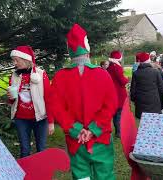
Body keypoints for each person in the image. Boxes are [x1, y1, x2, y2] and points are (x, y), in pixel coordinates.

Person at [50, 24, 117, 179]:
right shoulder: (103, 75)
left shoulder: (60, 77)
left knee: (81, 176)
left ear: (69, 51)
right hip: (101, 137)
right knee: (104, 175)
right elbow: (111, 105)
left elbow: (57, 108)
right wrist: (93, 129)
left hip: (76, 139)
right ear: (87, 50)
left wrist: (76, 129)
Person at [7, 46, 54, 158]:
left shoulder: (41, 74)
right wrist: (10, 97)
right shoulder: (14, 75)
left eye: (16, 60)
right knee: (24, 149)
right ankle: (26, 174)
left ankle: (41, 174)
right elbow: (12, 100)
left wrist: (51, 122)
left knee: (41, 150)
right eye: (13, 60)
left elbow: (49, 98)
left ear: (25, 60)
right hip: (21, 119)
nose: (15, 63)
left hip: (40, 119)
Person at [130, 52, 163, 119]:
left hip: (141, 100)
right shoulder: (155, 72)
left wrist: (134, 99)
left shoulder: (136, 73)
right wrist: (159, 99)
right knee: (154, 122)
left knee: (143, 124)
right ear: (148, 61)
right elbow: (161, 88)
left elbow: (133, 89)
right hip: (154, 100)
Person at [107, 50, 129, 138]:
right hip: (118, 93)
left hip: (112, 92)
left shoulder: (110, 67)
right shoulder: (117, 67)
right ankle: (118, 132)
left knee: (114, 113)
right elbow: (122, 81)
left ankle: (113, 130)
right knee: (118, 114)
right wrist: (127, 79)